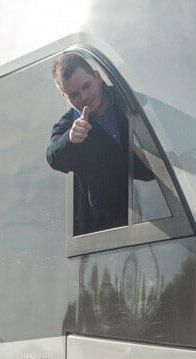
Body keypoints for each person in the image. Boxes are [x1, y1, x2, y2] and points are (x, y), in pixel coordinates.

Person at [46, 52, 153, 235]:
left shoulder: (128, 99)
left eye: (86, 86)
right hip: (108, 232)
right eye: (74, 95)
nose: (84, 96)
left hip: (157, 208)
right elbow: (53, 156)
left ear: (98, 77)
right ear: (66, 97)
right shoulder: (69, 125)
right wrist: (70, 139)